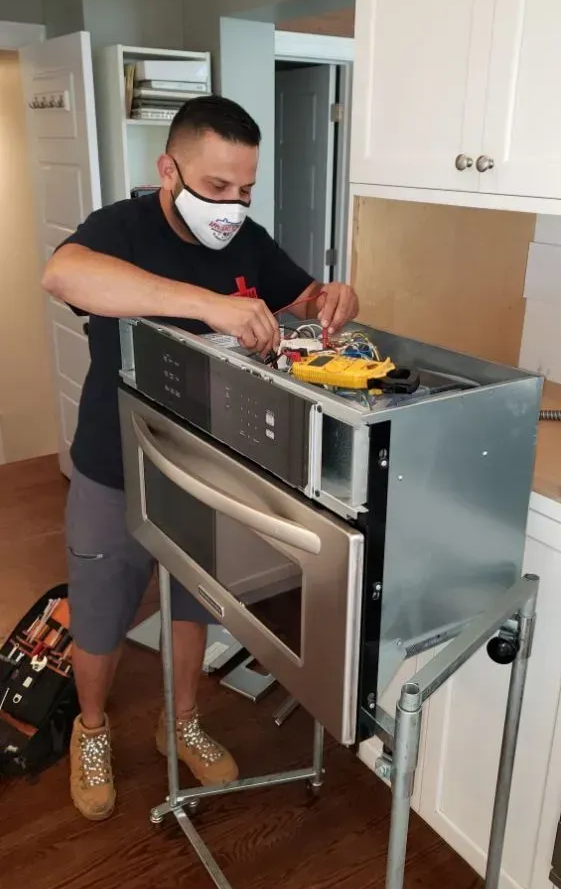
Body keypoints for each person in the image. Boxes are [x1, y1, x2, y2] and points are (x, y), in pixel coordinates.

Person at [42, 94, 359, 821]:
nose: (232, 206)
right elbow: (62, 276)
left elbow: (304, 295)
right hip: (115, 460)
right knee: (100, 609)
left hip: (207, 464)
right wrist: (205, 304)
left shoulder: (248, 241)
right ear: (169, 170)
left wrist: (331, 298)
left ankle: (180, 720)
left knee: (193, 604)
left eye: (245, 189)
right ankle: (91, 729)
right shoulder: (119, 228)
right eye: (217, 186)